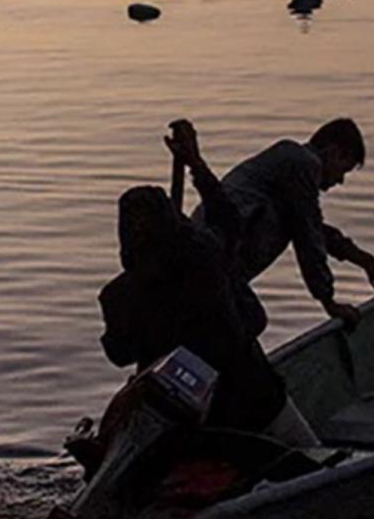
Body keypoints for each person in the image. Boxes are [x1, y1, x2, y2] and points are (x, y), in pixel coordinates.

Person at [88, 185, 305, 450]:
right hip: (254, 400)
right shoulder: (206, 254)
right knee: (307, 451)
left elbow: (119, 354)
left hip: (185, 420)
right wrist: (197, 166)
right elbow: (229, 220)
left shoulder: (116, 296)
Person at [163, 116, 374, 330]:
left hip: (218, 266)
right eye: (343, 169)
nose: (340, 180)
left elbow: (312, 226)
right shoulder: (303, 162)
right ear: (333, 151)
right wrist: (328, 301)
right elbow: (308, 237)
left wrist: (362, 259)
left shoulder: (292, 172)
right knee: (250, 321)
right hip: (214, 261)